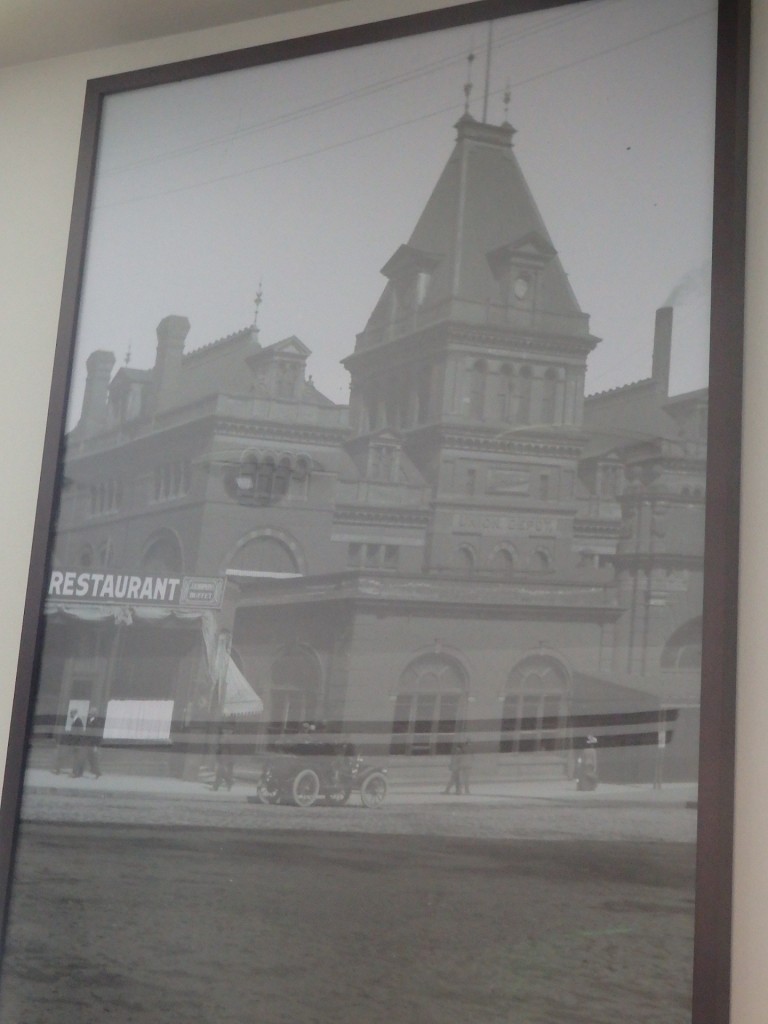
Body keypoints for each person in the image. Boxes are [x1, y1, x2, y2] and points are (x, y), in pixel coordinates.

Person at [213, 722, 236, 791]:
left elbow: (231, 749)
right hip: (223, 757)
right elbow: (219, 747)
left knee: (221, 771)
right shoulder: (222, 737)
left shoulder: (228, 737)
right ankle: (228, 783)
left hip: (226, 757)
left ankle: (218, 785)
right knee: (221, 771)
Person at [83, 707, 103, 778]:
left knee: (94, 758)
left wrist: (96, 745)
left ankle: (97, 772)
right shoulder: (89, 721)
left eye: (90, 713)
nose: (89, 714)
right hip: (88, 742)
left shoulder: (96, 722)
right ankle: (93, 770)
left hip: (92, 743)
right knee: (89, 757)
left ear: (93, 714)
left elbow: (96, 735)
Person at [69, 711, 86, 777]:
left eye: (71, 714)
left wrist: (76, 743)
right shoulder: (75, 721)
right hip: (77, 742)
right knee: (77, 758)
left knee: (77, 758)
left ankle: (75, 773)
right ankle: (79, 773)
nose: (70, 715)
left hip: (78, 743)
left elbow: (79, 733)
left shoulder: (78, 721)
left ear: (74, 714)